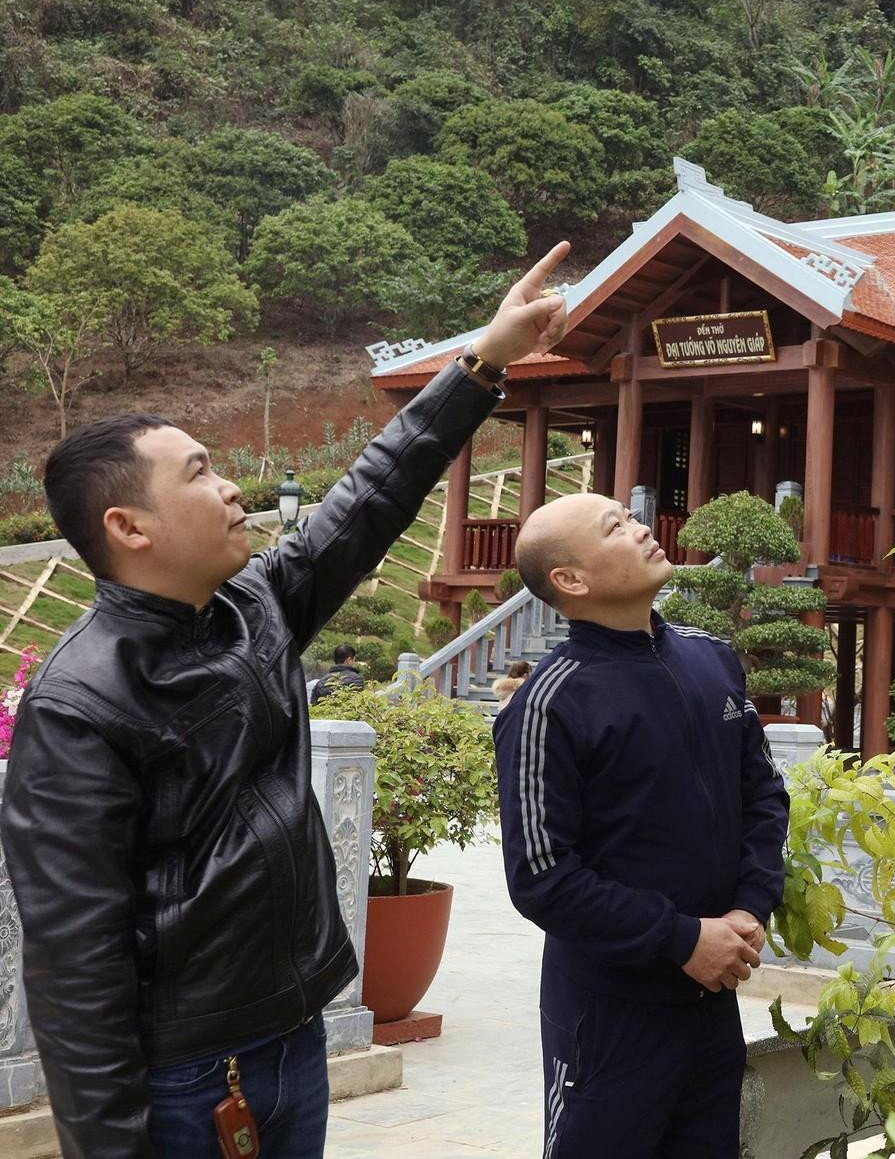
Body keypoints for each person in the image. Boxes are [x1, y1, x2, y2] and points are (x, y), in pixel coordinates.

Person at [0, 242, 572, 1159]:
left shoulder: (251, 607)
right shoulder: (77, 702)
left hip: (294, 1033)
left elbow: (368, 499)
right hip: (188, 1073)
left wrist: (483, 364)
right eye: (195, 472)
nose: (231, 485)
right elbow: (73, 958)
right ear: (127, 526)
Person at [495, 492, 789, 1157]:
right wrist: (681, 937)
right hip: (608, 1013)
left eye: (630, 518)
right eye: (617, 527)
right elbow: (542, 878)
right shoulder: (549, 702)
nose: (643, 528)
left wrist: (750, 903)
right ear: (572, 580)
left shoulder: (711, 660)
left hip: (710, 1002)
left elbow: (764, 795)